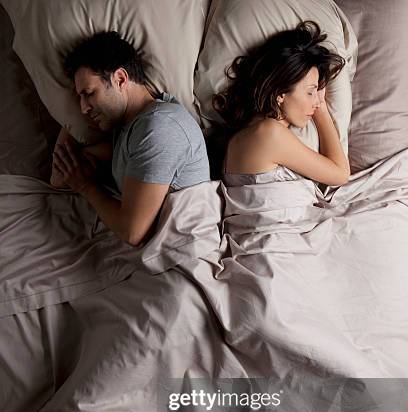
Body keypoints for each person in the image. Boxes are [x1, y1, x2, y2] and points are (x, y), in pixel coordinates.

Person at [52, 31, 210, 246]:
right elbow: (58, 178)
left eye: (89, 93)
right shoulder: (125, 127)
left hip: (184, 259)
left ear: (120, 79)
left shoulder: (159, 128)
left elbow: (133, 232)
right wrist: (69, 119)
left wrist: (86, 186)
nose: (83, 108)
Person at [212, 21, 350, 187]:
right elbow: (340, 175)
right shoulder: (271, 133)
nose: (316, 101)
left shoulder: (244, 134)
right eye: (310, 92)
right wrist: (322, 110)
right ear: (280, 93)